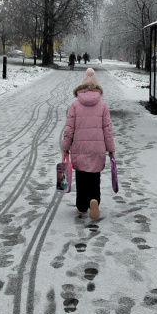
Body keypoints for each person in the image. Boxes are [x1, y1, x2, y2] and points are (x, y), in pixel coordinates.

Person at [61, 68, 116, 219]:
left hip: (79, 149)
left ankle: (81, 206)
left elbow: (69, 130)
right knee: (94, 178)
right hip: (97, 149)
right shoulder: (103, 106)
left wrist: (65, 148)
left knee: (81, 178)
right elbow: (107, 130)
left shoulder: (75, 106)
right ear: (97, 87)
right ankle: (94, 200)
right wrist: (111, 148)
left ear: (82, 87)